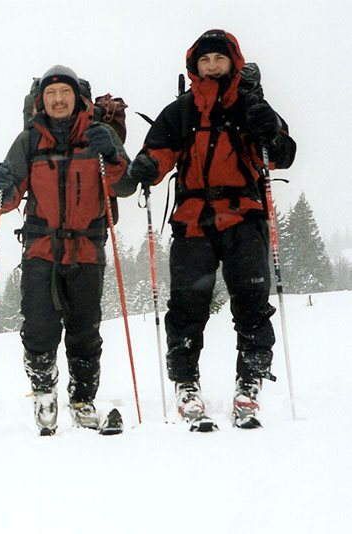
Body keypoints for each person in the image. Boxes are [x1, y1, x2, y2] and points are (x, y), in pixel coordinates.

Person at [128, 29, 296, 429]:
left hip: (243, 216)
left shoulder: (252, 106)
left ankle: (250, 381)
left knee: (252, 302)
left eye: (219, 59)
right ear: (194, 66)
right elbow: (157, 153)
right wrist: (148, 166)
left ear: (233, 62)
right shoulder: (180, 111)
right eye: (205, 61)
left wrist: (268, 129)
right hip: (193, 220)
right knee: (187, 306)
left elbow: (282, 156)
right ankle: (186, 383)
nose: (212, 66)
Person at [0, 65, 135, 436]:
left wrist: (114, 157)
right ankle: (44, 392)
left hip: (87, 247)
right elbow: (3, 202)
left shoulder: (98, 134)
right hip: (41, 247)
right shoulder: (29, 141)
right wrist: (2, 186)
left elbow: (126, 185)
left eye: (64, 93)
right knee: (38, 326)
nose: (58, 100)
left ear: (77, 98)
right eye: (51, 94)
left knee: (85, 329)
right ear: (41, 101)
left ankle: (83, 398)